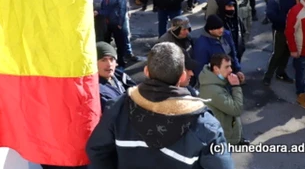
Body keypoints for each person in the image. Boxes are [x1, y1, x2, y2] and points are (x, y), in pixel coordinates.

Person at [86, 42, 234, 169]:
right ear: (182, 76)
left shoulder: (117, 109)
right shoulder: (206, 125)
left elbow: (97, 151)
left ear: (146, 71)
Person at [199, 53, 246, 145]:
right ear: (216, 69)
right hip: (225, 139)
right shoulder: (214, 91)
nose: (231, 70)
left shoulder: (215, 80)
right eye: (227, 67)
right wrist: (236, 86)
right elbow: (236, 109)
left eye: (230, 66)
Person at [263, 0, 299, 86]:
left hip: (293, 30)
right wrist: (286, 22)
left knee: (287, 51)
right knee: (277, 53)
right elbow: (270, 13)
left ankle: (281, 72)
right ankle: (268, 75)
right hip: (280, 29)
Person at [98, 0, 130, 67]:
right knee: (106, 43)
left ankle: (120, 62)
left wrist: (120, 22)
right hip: (105, 23)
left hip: (116, 22)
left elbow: (122, 7)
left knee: (120, 44)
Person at [96, 42, 136, 113]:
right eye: (103, 60)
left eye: (111, 59)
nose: (109, 64)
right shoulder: (97, 90)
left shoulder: (120, 76)